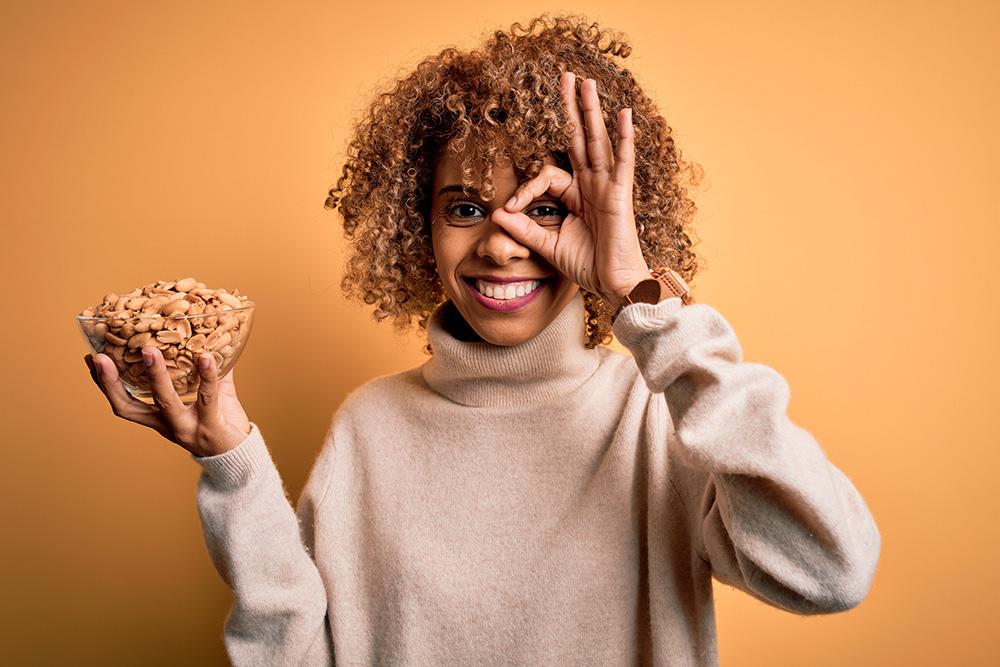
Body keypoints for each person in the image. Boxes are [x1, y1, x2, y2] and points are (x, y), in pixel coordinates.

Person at [83, 13, 881, 666]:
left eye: (543, 208)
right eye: (464, 208)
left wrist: (646, 296)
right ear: (417, 229)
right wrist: (233, 468)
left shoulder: (656, 417)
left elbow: (830, 568)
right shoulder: (371, 427)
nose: (500, 244)